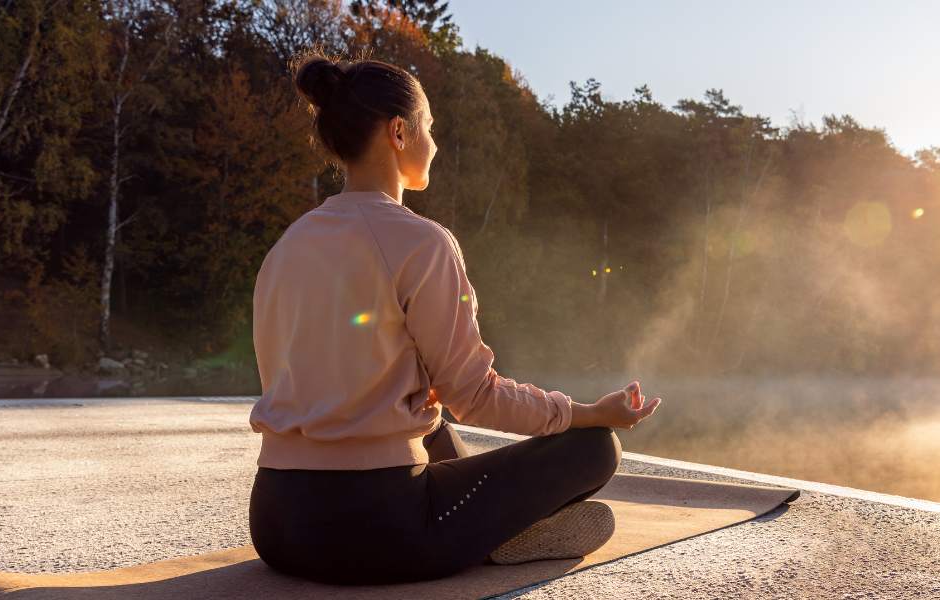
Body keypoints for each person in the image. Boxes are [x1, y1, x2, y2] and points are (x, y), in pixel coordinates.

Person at [246, 54, 663, 586]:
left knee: (434, 418)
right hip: (375, 530)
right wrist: (589, 413)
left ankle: (486, 530)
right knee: (596, 448)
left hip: (276, 524)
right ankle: (498, 536)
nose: (435, 143)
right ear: (399, 131)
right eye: (430, 126)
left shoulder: (286, 246)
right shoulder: (422, 242)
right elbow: (476, 395)